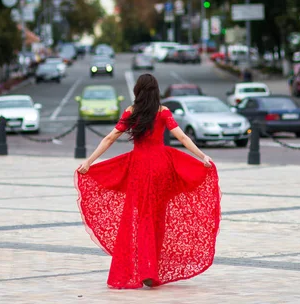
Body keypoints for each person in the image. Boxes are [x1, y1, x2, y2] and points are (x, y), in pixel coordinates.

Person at [75, 74, 221, 289]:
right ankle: (151, 270)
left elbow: (109, 138)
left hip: (139, 168)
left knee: (139, 217)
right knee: (157, 218)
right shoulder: (163, 112)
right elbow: (182, 137)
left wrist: (89, 161)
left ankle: (143, 268)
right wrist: (202, 156)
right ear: (155, 91)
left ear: (138, 90)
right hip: (162, 167)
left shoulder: (131, 112)